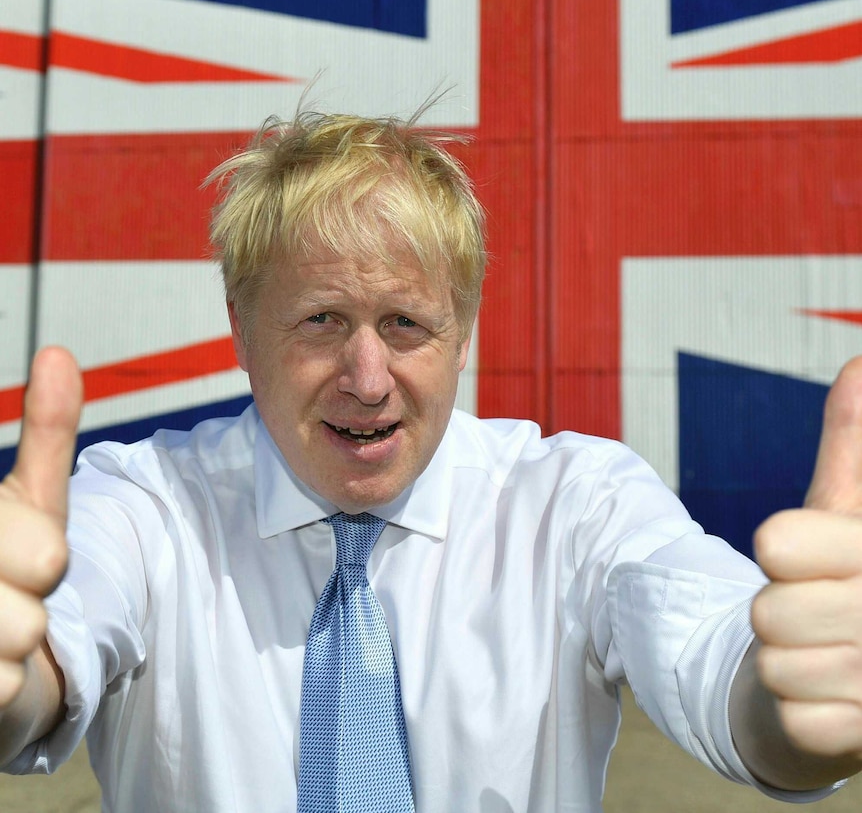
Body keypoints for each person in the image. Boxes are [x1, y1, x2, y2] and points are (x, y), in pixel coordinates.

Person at [0, 109, 861, 812]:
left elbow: (716, 662)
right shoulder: (143, 504)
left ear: (464, 331)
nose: (369, 381)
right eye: (321, 322)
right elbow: (44, 661)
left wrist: (787, 706)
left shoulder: (574, 506)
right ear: (241, 326)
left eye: (406, 324)